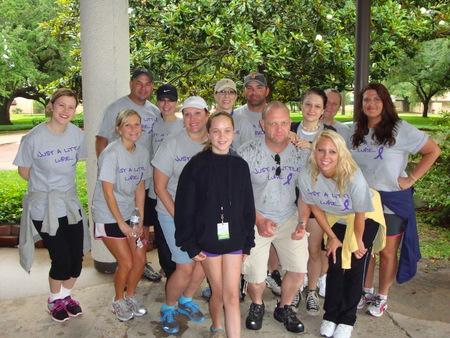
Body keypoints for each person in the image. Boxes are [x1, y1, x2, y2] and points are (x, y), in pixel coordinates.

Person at [349, 83, 441, 317]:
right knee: (366, 248)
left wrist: (411, 179)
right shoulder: (356, 130)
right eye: (366, 100)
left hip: (391, 200)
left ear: (385, 102)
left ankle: (382, 297)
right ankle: (366, 291)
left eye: (376, 99)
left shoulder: (401, 129)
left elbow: (433, 151)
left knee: (388, 251)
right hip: (365, 201)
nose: (371, 104)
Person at [174, 111, 256, 338]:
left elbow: (248, 207)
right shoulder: (196, 166)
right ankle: (216, 323)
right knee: (218, 291)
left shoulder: (240, 165)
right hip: (208, 238)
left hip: (234, 238)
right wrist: (189, 243)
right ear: (208, 133)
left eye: (227, 131)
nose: (222, 136)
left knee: (231, 294)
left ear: (234, 133)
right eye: (216, 131)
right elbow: (184, 208)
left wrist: (248, 242)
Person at [298, 130, 386, 338]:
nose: (325, 156)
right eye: (321, 150)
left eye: (332, 152)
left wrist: (356, 241)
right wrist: (333, 237)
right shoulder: (307, 175)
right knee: (335, 262)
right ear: (314, 152)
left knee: (355, 265)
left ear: (340, 154)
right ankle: (331, 315)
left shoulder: (353, 176)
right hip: (335, 216)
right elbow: (315, 207)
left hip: (364, 215)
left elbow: (360, 212)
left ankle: (347, 319)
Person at [14, 88, 90, 323]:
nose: (66, 111)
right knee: (61, 259)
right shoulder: (34, 138)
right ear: (51, 106)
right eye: (61, 105)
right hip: (44, 206)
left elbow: (76, 161)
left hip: (69, 204)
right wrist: (47, 188)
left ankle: (66, 296)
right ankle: (54, 299)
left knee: (77, 259)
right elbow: (24, 172)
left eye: (71, 107)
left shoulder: (77, 135)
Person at [237, 101, 310, 334]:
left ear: (291, 124)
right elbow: (239, 196)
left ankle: (284, 307)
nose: (279, 129)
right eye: (273, 123)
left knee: (299, 269)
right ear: (262, 125)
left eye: (284, 123)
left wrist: (302, 223)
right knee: (256, 275)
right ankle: (257, 305)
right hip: (255, 219)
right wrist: (258, 219)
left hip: (289, 216)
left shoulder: (301, 152)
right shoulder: (246, 152)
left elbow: (306, 194)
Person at [95, 67, 161, 282]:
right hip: (120, 178)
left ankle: (142, 263)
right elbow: (101, 139)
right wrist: (110, 174)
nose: (143, 87)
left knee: (142, 222)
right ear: (131, 84)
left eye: (148, 83)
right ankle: (129, 268)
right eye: (139, 82)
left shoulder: (153, 111)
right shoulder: (116, 107)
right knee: (122, 222)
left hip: (143, 178)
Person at [152, 96, 209, 334]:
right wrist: (181, 218)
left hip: (205, 216)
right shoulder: (171, 144)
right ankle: (168, 307)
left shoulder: (215, 141)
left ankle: (186, 300)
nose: (192, 119)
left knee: (204, 262)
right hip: (172, 213)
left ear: (207, 115)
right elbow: (159, 187)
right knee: (184, 266)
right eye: (187, 114)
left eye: (197, 114)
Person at [92, 109, 151, 322]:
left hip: (129, 213)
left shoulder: (143, 152)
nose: (133, 129)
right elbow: (108, 193)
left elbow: (139, 186)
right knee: (126, 262)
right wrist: (122, 223)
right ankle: (118, 300)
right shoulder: (111, 153)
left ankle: (131, 296)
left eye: (137, 124)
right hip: (108, 215)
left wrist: (139, 218)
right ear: (119, 128)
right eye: (128, 125)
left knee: (140, 259)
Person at [291, 88, 336, 315]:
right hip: (289, 199)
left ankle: (311, 290)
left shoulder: (329, 135)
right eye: (308, 104)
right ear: (301, 104)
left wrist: (313, 150)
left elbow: (338, 167)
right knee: (294, 248)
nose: (311, 110)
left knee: (313, 249)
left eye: (317, 106)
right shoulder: (288, 129)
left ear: (323, 110)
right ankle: (295, 288)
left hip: (317, 202)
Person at [148, 83, 183, 280]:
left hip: (178, 190)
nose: (166, 104)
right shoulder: (154, 125)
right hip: (157, 190)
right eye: (162, 100)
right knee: (162, 236)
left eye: (170, 100)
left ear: (176, 102)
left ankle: (182, 272)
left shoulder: (183, 124)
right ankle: (169, 272)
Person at [213, 78, 253, 149]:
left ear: (235, 96)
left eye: (231, 92)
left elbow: (250, 152)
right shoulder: (208, 121)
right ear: (215, 95)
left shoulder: (243, 122)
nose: (226, 96)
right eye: (222, 91)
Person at [234, 72, 270, 138]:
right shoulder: (233, 116)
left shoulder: (276, 115)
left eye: (259, 88)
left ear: (267, 91)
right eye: (249, 88)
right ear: (244, 92)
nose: (254, 92)